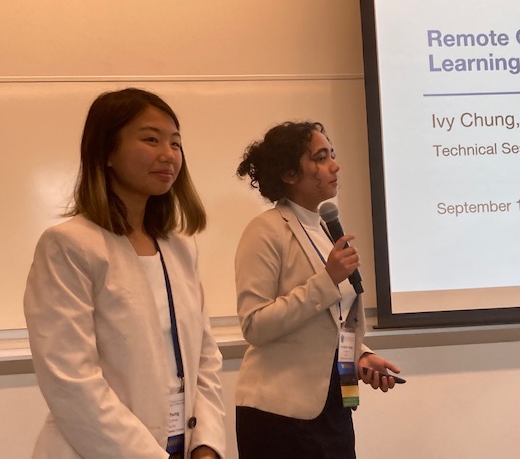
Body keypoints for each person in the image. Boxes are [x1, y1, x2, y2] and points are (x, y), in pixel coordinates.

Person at [23, 88, 226, 459]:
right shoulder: (68, 245)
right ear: (107, 152)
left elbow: (205, 358)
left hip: (184, 445)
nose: (168, 154)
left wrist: (208, 445)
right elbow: (72, 383)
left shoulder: (179, 246)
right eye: (150, 139)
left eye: (176, 143)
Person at [234, 121, 400, 458]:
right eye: (321, 158)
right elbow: (255, 325)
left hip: (334, 405)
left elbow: (332, 319)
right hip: (279, 414)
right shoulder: (264, 231)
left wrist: (361, 355)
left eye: (332, 156)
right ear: (289, 174)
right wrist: (327, 279)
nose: (334, 166)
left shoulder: (324, 228)